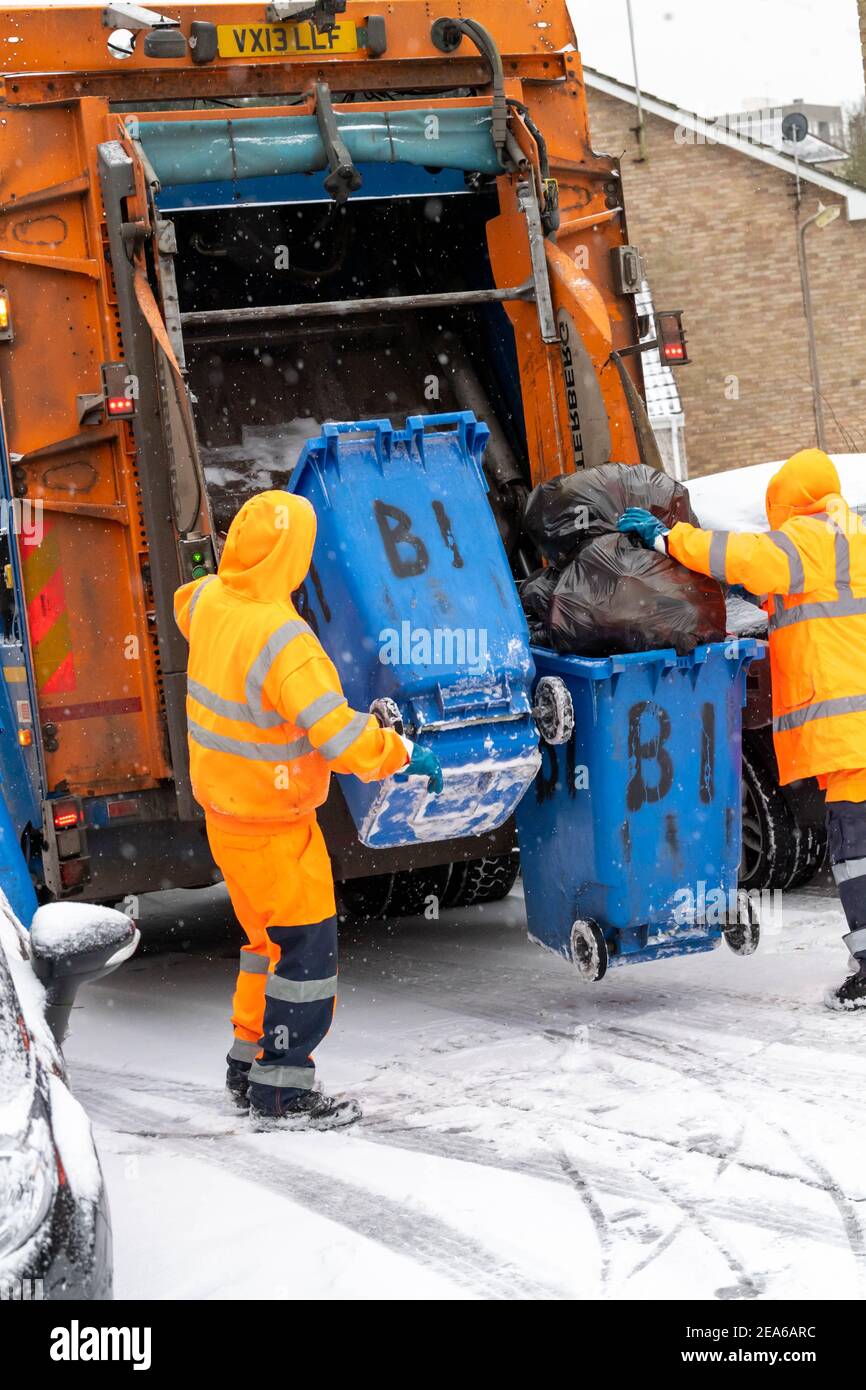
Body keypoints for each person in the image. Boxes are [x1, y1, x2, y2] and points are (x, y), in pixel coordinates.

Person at [174, 490, 443, 1129]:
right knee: (305, 956)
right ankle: (282, 1089)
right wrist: (398, 750)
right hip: (277, 828)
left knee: (264, 945)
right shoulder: (284, 640)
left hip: (227, 820)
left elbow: (189, 601)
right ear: (292, 558)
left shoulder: (213, 602)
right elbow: (336, 737)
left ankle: (248, 1064)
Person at [618, 449, 866, 1009]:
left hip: (852, 736)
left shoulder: (812, 537)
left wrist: (665, 538)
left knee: (856, 851)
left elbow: (744, 555)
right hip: (857, 732)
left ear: (790, 501)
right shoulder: (852, 537)